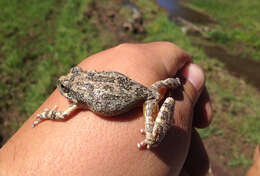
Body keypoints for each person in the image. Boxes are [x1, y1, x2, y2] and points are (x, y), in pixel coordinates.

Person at [0, 42, 213, 176]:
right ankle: (167, 92)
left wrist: (47, 114)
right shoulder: (81, 96)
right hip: (147, 90)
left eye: (65, 87)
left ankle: (157, 127)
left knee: (154, 136)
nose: (62, 86)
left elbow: (62, 115)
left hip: (146, 101)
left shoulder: (75, 103)